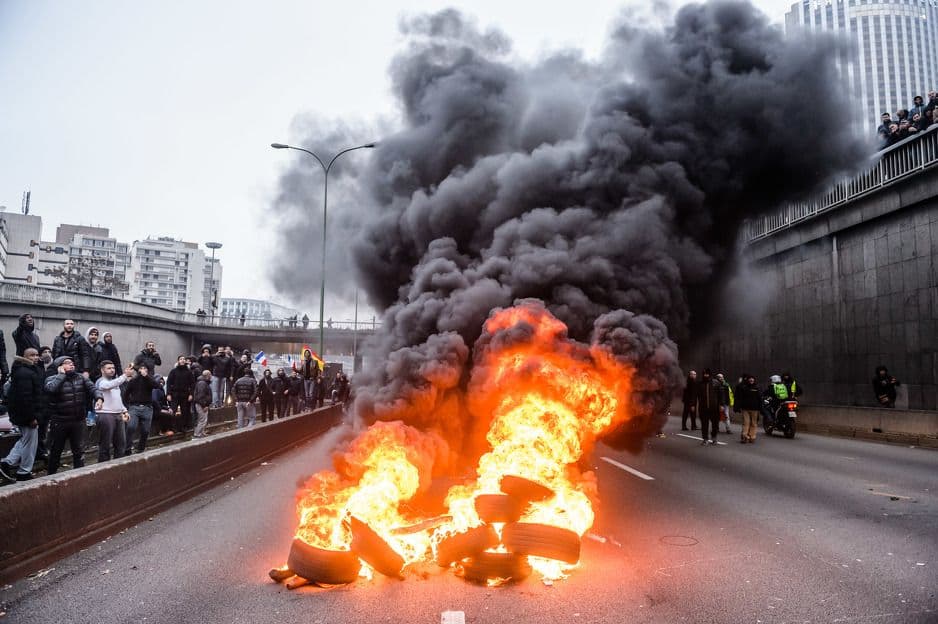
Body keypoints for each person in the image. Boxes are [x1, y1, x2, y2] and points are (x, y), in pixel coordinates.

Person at [44, 356, 103, 475]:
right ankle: (50, 476)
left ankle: (79, 475)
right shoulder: (51, 379)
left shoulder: (80, 378)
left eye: (72, 363)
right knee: (56, 451)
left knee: (79, 451)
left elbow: (92, 388)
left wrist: (99, 398)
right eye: (67, 363)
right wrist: (61, 375)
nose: (71, 365)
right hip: (60, 421)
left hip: (78, 421)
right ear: (59, 366)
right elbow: (51, 389)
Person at [0, 348, 44, 481]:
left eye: (37, 355)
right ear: (25, 356)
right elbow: (26, 398)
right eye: (32, 355)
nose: (36, 357)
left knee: (25, 440)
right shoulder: (25, 372)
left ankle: (7, 462)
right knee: (30, 444)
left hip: (23, 414)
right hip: (27, 416)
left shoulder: (23, 370)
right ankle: (24, 472)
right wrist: (32, 417)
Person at [95, 361, 132, 462]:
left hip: (118, 415)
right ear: (102, 370)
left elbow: (117, 399)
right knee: (105, 445)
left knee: (121, 444)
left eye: (113, 368)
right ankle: (102, 468)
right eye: (109, 368)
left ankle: (118, 466)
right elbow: (108, 385)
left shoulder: (116, 382)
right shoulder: (101, 381)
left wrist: (124, 410)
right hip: (105, 415)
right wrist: (125, 376)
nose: (112, 370)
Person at [123, 363, 159, 456]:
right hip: (134, 407)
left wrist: (146, 376)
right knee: (131, 427)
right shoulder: (133, 381)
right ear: (138, 370)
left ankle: (141, 448)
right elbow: (126, 394)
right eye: (141, 368)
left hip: (147, 408)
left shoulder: (150, 380)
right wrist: (127, 407)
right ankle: (127, 448)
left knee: (145, 430)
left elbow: (156, 385)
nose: (143, 370)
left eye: (145, 368)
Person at [34, 346, 56, 463]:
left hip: (49, 404)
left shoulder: (54, 367)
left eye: (49, 352)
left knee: (43, 430)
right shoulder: (37, 367)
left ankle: (41, 451)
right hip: (39, 403)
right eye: (44, 352)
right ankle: (38, 451)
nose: (47, 354)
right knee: (37, 429)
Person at [167, 355, 195, 435]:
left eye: (184, 359)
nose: (182, 360)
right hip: (174, 394)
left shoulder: (189, 372)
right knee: (173, 411)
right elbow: (169, 383)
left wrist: (191, 394)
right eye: (181, 359)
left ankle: (183, 427)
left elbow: (192, 384)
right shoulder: (173, 371)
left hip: (185, 395)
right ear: (178, 361)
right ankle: (173, 427)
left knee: (185, 412)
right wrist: (168, 394)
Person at [696, 369, 722, 445]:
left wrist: (721, 404)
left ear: (710, 374)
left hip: (714, 408)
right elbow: (696, 395)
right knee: (704, 424)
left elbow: (721, 395)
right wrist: (693, 404)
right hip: (703, 408)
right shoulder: (700, 384)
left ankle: (714, 437)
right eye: (704, 374)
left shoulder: (716, 383)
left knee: (715, 424)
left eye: (707, 374)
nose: (706, 375)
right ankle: (705, 439)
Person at [734, 374, 761, 444]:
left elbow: (760, 398)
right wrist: (737, 406)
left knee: (753, 423)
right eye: (750, 379)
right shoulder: (744, 387)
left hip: (755, 409)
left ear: (754, 380)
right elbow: (739, 397)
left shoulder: (757, 387)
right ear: (748, 380)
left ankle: (752, 437)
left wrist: (761, 408)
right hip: (745, 408)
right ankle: (745, 436)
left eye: (752, 379)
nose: (751, 380)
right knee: (746, 423)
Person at [192, 370, 213, 438]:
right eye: (210, 375)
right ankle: (197, 434)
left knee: (203, 419)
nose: (211, 376)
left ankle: (201, 432)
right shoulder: (202, 383)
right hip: (201, 404)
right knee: (202, 420)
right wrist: (204, 405)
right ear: (207, 375)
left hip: (202, 404)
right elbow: (201, 396)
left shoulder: (202, 383)